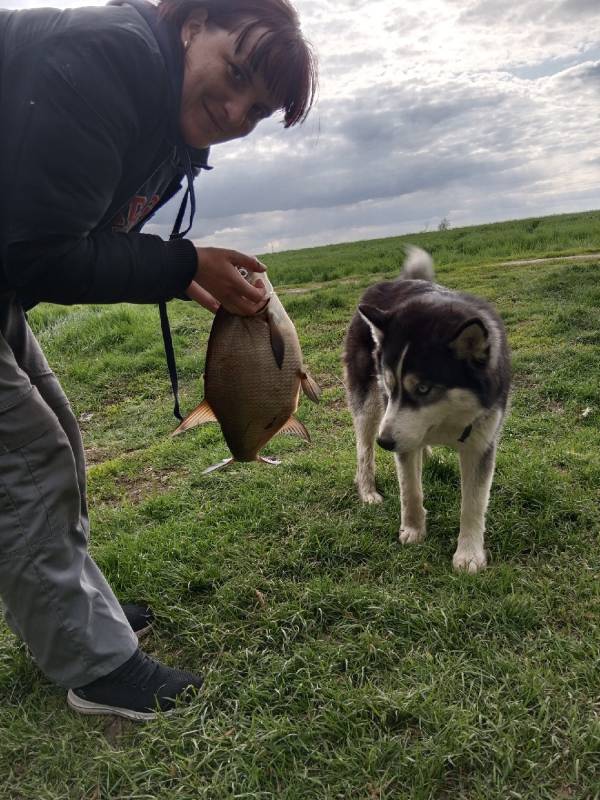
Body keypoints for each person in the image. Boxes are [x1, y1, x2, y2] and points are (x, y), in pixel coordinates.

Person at [0, 0, 317, 721]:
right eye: (235, 72)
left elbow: (49, 236)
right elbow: (43, 253)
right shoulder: (106, 60)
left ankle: (69, 613)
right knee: (26, 455)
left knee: (54, 432)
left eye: (258, 109)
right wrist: (178, 265)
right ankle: (96, 667)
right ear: (191, 23)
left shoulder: (162, 116)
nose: (236, 109)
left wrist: (180, 269)